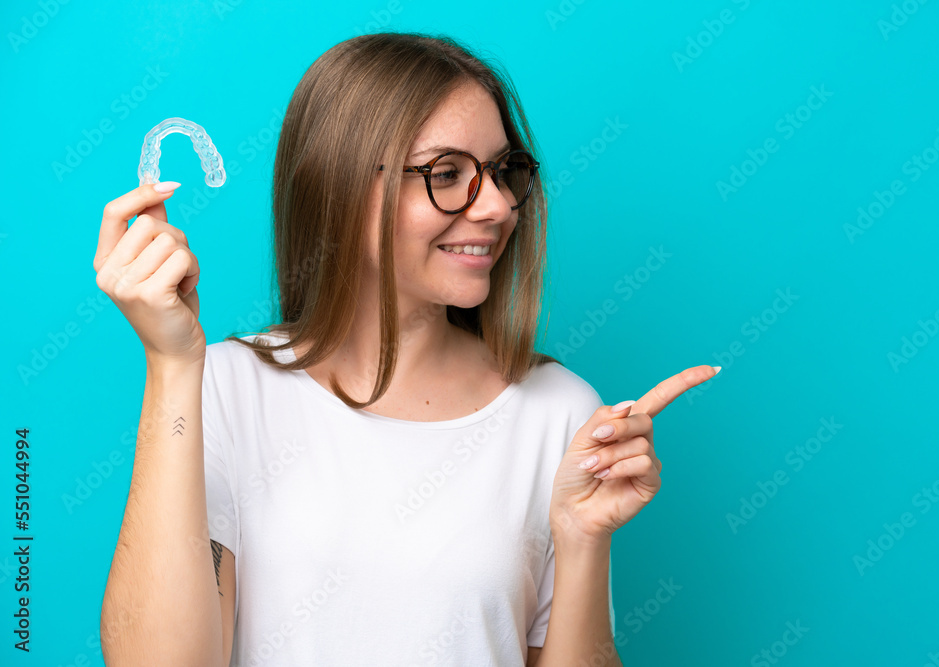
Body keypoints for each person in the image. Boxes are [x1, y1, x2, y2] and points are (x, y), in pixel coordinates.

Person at [94, 31, 718, 666]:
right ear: (338, 185)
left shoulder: (559, 413)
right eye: (447, 174)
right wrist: (172, 366)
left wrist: (584, 539)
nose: (500, 206)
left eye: (505, 173)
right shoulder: (226, 390)